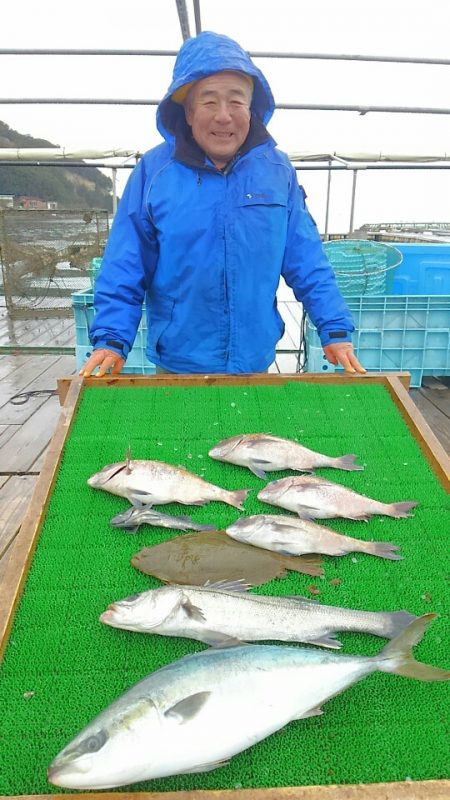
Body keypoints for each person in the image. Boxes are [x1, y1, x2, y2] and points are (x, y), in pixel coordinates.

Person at [80, 31, 365, 378]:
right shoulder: (153, 172)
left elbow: (307, 258)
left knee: (248, 435)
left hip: (255, 361)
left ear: (252, 108)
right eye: (209, 102)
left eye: (236, 101)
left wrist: (334, 327)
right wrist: (111, 338)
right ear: (187, 111)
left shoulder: (278, 172)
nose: (224, 116)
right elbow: (125, 263)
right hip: (177, 363)